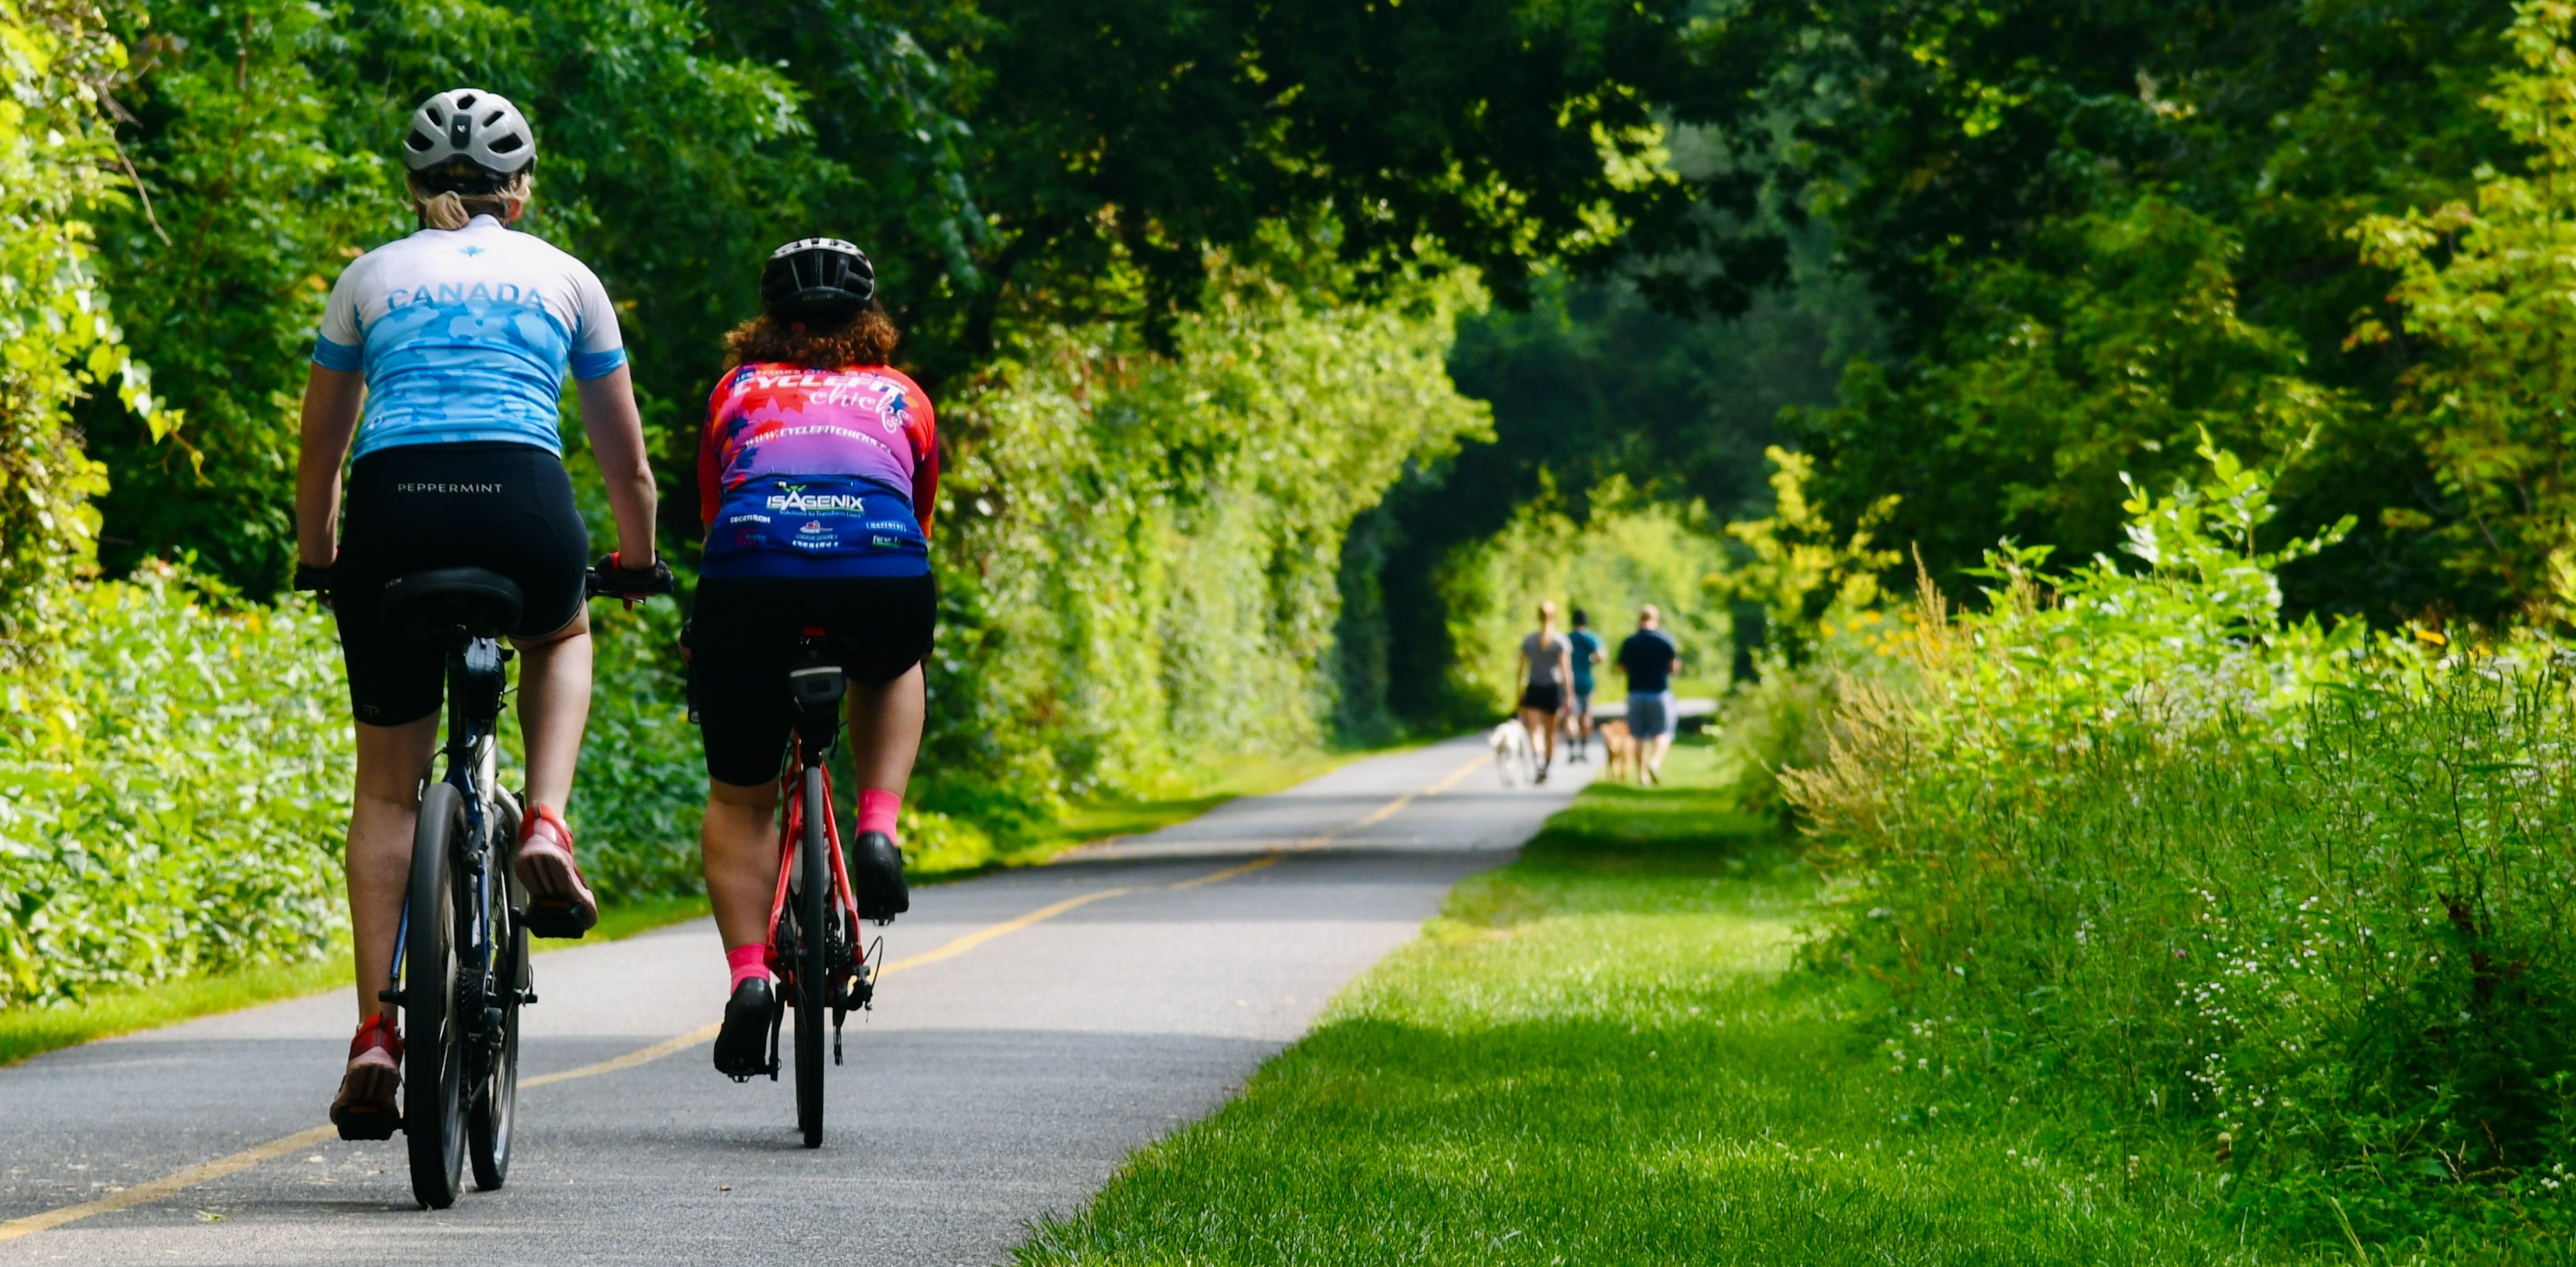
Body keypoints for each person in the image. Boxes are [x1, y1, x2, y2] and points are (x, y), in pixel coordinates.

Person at [295, 89, 662, 1138]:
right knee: (564, 626)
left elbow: (323, 450)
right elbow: (623, 458)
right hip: (524, 509)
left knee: (387, 789)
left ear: (413, 189)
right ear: (523, 186)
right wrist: (635, 561)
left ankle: (376, 1032)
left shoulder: (367, 278)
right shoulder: (566, 279)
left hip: (394, 517)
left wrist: (322, 559)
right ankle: (546, 818)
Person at [692, 238, 937, 1079]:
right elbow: (919, 513)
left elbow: (714, 515)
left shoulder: (736, 391)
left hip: (753, 571)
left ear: (766, 321)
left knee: (738, 796)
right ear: (870, 322)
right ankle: (877, 823)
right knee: (897, 657)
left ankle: (751, 975)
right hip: (880, 569)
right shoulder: (903, 396)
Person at [1617, 604, 1682, 783]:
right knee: (1664, 732)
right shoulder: (1665, 641)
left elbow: (1621, 667)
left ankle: (1642, 775)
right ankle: (1654, 762)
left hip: (1636, 693)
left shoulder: (1630, 642)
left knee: (1638, 735)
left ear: (1640, 619)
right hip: (1659, 693)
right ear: (1656, 620)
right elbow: (1674, 668)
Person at [1514, 601, 1574, 783]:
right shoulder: (1560, 641)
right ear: (1554, 617)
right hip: (1553, 690)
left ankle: (1538, 763)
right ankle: (1546, 767)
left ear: (1538, 617)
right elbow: (1566, 671)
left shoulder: (1529, 641)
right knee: (1551, 734)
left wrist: (1518, 693)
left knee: (1535, 732)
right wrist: (1569, 695)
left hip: (1534, 689)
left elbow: (1521, 670)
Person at [1566, 607, 1604, 762]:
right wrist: (1590, 660)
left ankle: (1572, 748)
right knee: (1586, 715)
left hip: (1569, 681)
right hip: (1586, 681)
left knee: (1571, 716)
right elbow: (1601, 656)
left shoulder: (1567, 638)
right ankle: (1583, 748)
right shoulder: (1591, 639)